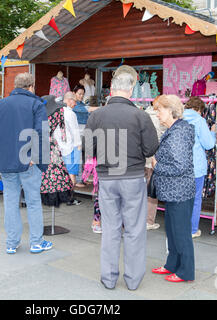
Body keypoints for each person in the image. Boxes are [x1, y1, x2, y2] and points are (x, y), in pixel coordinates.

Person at [85, 66, 159, 291]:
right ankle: (133, 280)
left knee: (110, 229)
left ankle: (108, 278)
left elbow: (89, 149)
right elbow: (150, 149)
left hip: (107, 178)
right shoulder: (140, 115)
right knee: (135, 229)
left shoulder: (96, 115)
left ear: (112, 90)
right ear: (130, 90)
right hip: (133, 177)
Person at [0, 72, 52, 255]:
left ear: (15, 86)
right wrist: (38, 159)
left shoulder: (0, 105)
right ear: (31, 86)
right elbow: (42, 133)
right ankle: (36, 242)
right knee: (33, 202)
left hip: (6, 162)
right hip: (29, 162)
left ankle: (11, 242)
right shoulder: (36, 104)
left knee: (10, 202)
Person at [151, 94, 196, 283]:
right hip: (173, 191)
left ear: (170, 110)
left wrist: (156, 166)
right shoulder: (175, 129)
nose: (157, 114)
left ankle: (186, 272)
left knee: (181, 233)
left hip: (179, 191)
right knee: (172, 231)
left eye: (159, 110)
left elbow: (180, 166)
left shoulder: (178, 133)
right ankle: (172, 265)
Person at [183, 97, 216, 238]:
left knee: (181, 199)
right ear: (199, 110)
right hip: (196, 167)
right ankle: (192, 230)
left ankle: (180, 228)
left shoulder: (178, 118)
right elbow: (209, 144)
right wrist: (213, 132)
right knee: (195, 200)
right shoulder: (199, 121)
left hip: (180, 166)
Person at [54, 91, 82, 206]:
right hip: (71, 147)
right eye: (75, 101)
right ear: (69, 100)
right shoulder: (71, 113)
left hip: (59, 147)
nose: (75, 104)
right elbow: (75, 132)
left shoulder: (56, 112)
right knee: (71, 173)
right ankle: (70, 198)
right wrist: (79, 146)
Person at [144, 97, 167, 230]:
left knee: (141, 189)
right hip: (155, 158)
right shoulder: (161, 119)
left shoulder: (143, 115)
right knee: (152, 191)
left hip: (142, 158)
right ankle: (149, 221)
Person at [72, 84, 89, 188]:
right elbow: (87, 110)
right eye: (79, 94)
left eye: (83, 94)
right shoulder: (74, 105)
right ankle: (77, 181)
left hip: (83, 133)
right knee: (78, 158)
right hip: (76, 134)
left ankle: (83, 179)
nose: (81, 96)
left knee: (83, 157)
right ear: (74, 93)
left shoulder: (82, 104)